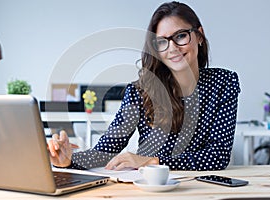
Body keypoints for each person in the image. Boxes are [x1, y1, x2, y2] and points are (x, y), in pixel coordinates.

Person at [47, 1, 240, 171]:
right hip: (151, 187)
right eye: (162, 42)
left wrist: (152, 161)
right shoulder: (140, 91)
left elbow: (217, 156)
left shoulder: (224, 83)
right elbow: (104, 152)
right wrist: (68, 160)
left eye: (180, 36)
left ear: (199, 35)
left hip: (204, 189)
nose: (172, 48)